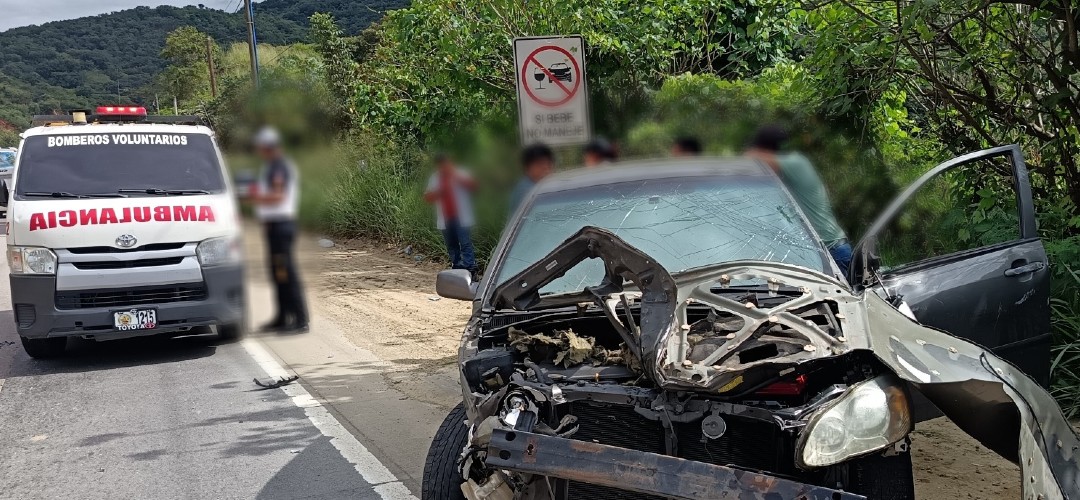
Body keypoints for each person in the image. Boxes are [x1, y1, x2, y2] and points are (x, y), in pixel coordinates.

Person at [744, 125, 852, 276]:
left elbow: (757, 159)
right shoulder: (785, 176)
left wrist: (748, 154)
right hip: (820, 254)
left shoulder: (797, 163)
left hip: (831, 253)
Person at [249, 126, 309, 333]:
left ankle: (300, 320)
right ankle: (283, 317)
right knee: (278, 273)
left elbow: (278, 196)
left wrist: (254, 197)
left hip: (282, 227)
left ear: (268, 147)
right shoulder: (273, 165)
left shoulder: (279, 166)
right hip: (275, 227)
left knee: (286, 273)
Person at [424, 153, 479, 280]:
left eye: (446, 164)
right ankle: (457, 271)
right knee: (452, 245)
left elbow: (474, 187)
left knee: (465, 243)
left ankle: (471, 270)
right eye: (441, 165)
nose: (444, 167)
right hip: (445, 218)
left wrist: (458, 178)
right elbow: (427, 197)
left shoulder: (461, 173)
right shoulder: (435, 178)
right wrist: (438, 192)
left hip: (461, 216)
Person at [509, 143, 554, 214]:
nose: (545, 168)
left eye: (548, 164)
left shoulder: (546, 186)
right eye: (540, 164)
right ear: (527, 168)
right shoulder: (526, 191)